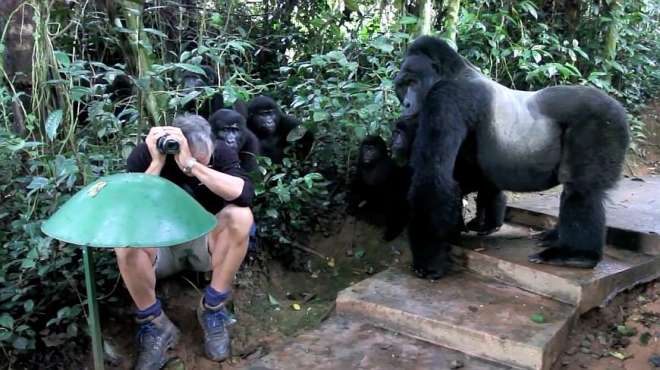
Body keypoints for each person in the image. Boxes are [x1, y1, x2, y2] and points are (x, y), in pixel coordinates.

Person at [116, 114, 254, 370]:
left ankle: (213, 307)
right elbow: (129, 211)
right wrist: (157, 164)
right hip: (158, 247)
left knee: (240, 216)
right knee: (125, 240)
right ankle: (156, 324)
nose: (207, 159)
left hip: (204, 244)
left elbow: (244, 193)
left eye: (208, 156)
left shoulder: (219, 151)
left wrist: (193, 165)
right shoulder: (145, 155)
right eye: (198, 156)